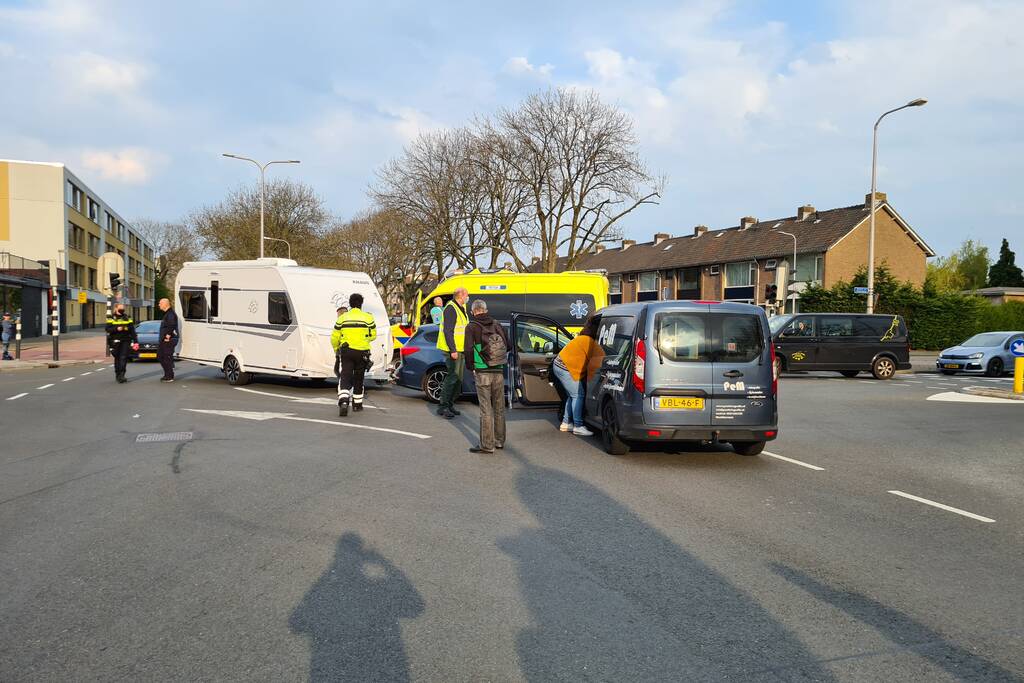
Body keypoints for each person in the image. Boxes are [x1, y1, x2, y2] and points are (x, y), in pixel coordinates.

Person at [464, 299, 510, 453]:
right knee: (499, 407)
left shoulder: (471, 327)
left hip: (482, 371)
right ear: (486, 309)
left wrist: (471, 367)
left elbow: (469, 349)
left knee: (485, 409)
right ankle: (499, 441)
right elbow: (508, 345)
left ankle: (487, 445)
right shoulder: (497, 324)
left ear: (473, 311)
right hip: (498, 370)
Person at [551, 316, 601, 436]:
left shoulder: (583, 338)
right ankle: (578, 425)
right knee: (578, 395)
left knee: (571, 395)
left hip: (559, 365)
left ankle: (566, 423)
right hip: (565, 368)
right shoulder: (589, 342)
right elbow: (600, 361)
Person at [331, 293, 377, 417]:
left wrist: (336, 349)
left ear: (350, 304)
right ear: (361, 304)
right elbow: (373, 335)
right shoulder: (368, 318)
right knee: (359, 377)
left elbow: (334, 337)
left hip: (346, 351)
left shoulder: (343, 318)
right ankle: (357, 405)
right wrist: (363, 339)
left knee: (345, 375)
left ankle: (344, 401)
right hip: (362, 352)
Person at [435, 287, 469, 419]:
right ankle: (443, 407)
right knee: (452, 378)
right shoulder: (451, 308)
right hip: (453, 350)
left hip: (460, 349)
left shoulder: (461, 308)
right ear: (460, 296)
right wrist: (453, 350)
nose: (467, 297)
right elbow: (448, 331)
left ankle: (449, 404)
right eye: (467, 295)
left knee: (458, 379)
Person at [106, 303, 138, 383]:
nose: (122, 310)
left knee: (123, 357)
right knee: (117, 358)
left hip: (126, 340)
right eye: (120, 308)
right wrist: (117, 329)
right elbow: (108, 329)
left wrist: (136, 341)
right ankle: (117, 374)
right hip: (115, 341)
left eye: (123, 309)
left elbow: (132, 330)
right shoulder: (111, 318)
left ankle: (122, 375)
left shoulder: (127, 317)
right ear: (116, 309)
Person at [157, 298, 179, 382]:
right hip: (165, 340)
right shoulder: (167, 314)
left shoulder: (170, 314)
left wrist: (168, 336)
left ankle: (169, 376)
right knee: (161, 356)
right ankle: (167, 374)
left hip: (168, 340)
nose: (159, 305)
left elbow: (172, 325)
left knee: (166, 357)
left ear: (165, 304)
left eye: (160, 303)